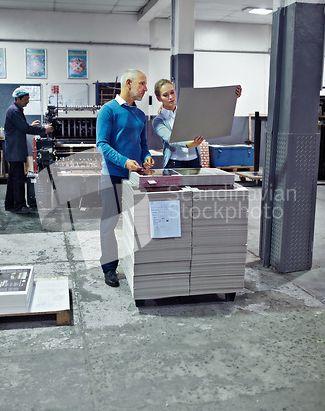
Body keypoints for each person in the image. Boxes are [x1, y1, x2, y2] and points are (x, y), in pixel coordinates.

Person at [96, 69, 154, 288]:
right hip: (113, 176)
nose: (145, 88)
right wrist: (124, 161)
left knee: (137, 223)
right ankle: (109, 268)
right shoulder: (108, 111)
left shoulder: (139, 114)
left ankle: (137, 263)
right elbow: (101, 144)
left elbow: (144, 145)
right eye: (142, 83)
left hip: (135, 178)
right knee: (109, 224)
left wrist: (146, 157)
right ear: (128, 83)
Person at [152, 79, 242, 168]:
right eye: (165, 95)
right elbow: (170, 139)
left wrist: (232, 97)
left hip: (194, 162)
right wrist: (188, 144)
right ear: (159, 98)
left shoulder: (188, 111)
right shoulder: (158, 121)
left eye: (172, 92)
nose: (171, 97)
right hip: (175, 163)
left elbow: (212, 110)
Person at [4, 87, 53, 214]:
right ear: (17, 99)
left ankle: (10, 204)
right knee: (18, 178)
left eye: (28, 99)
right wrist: (44, 129)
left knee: (13, 178)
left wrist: (31, 126)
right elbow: (24, 129)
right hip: (15, 151)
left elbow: (20, 127)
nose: (27, 102)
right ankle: (19, 206)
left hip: (14, 150)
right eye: (25, 99)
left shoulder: (16, 110)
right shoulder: (14, 111)